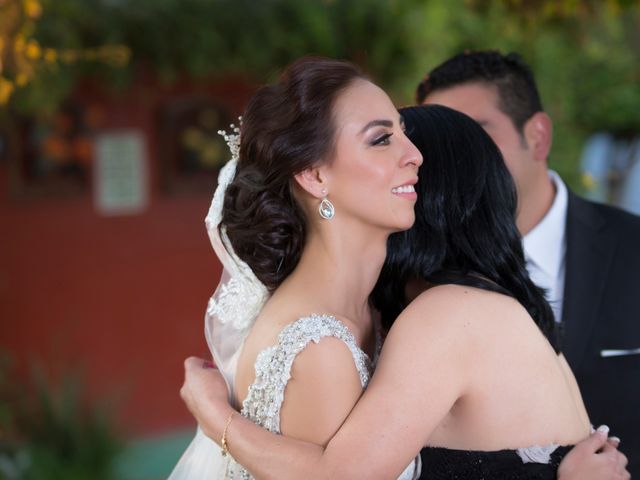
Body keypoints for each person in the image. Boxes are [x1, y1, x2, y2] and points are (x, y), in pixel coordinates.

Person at [179, 104, 630, 479]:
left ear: (425, 195)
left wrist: (216, 416)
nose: (403, 161)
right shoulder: (492, 307)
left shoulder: (450, 315)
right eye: (382, 144)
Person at [168, 56, 423, 479]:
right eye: (381, 140)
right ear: (314, 176)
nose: (413, 154)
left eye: (404, 133)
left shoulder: (368, 311)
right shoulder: (317, 347)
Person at [416, 50, 640, 476]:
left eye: (477, 136)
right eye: (441, 146)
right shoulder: (414, 282)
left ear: (537, 136)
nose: (457, 160)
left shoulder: (634, 249)